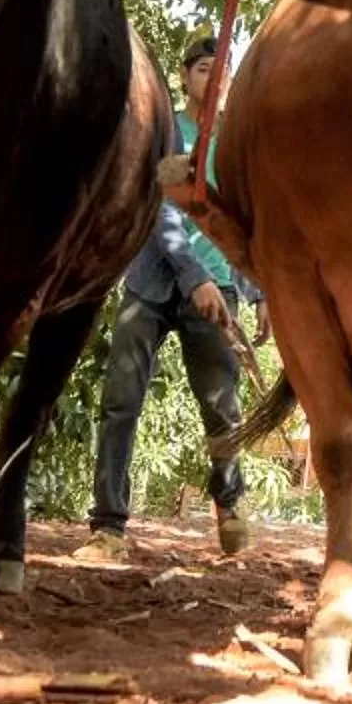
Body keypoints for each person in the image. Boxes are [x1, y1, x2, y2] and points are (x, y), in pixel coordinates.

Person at [87, 38, 261, 561]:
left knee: (221, 406)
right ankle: (108, 527)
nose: (215, 78)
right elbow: (165, 215)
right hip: (153, 283)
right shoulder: (164, 131)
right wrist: (195, 280)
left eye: (222, 69)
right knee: (121, 400)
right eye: (204, 69)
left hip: (218, 286)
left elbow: (251, 220)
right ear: (186, 77)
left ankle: (229, 503)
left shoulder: (237, 144)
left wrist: (261, 292)